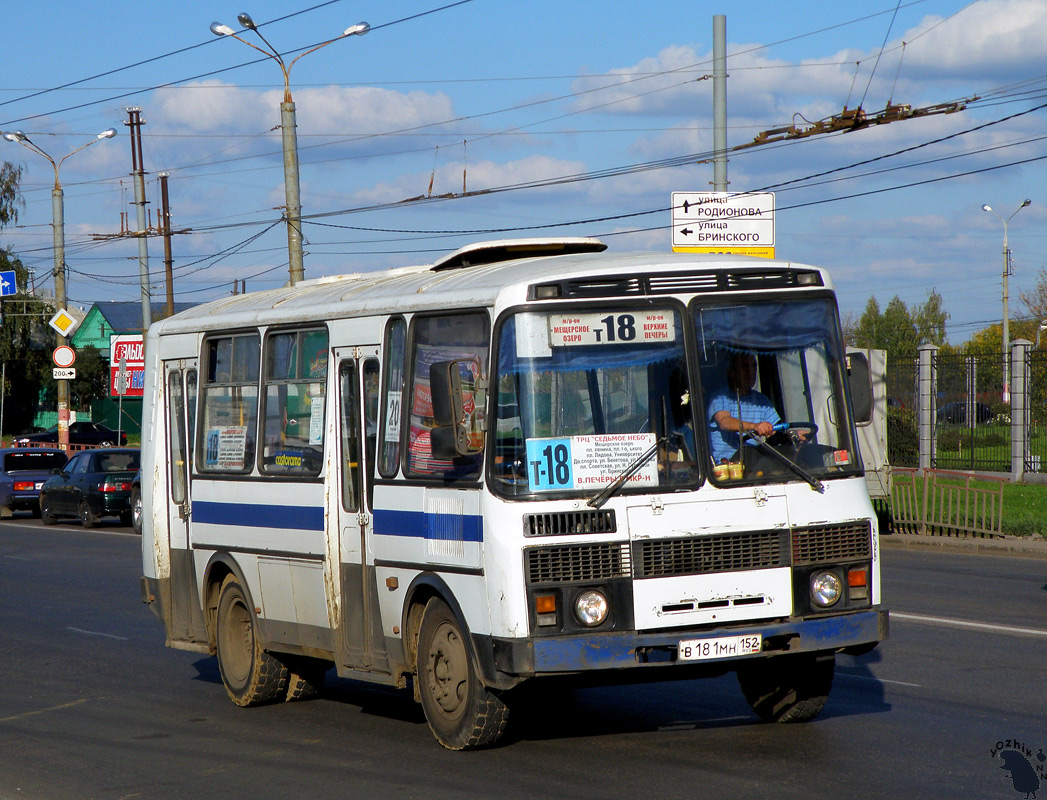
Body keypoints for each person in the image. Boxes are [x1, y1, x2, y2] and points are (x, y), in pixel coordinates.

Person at [706, 351, 780, 464]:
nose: (751, 371)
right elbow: (725, 422)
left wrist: (793, 434)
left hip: (753, 465)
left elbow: (775, 429)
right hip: (724, 469)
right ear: (731, 371)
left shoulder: (762, 400)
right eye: (745, 366)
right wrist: (754, 426)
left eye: (753, 366)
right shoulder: (720, 397)